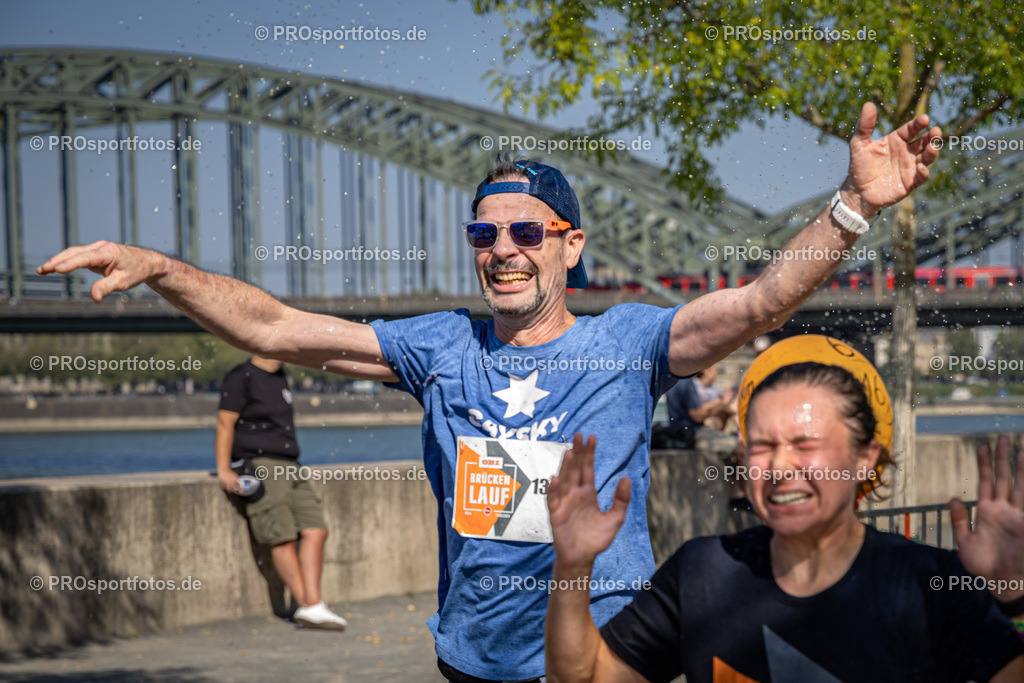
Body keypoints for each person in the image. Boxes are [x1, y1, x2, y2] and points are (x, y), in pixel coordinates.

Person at [38, 103, 941, 681]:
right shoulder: (439, 346)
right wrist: (158, 266)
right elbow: (273, 329)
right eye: (483, 230)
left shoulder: (627, 341)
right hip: (472, 658)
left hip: (604, 654)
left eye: (524, 230)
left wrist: (853, 207)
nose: (501, 246)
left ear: (569, 245)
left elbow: (760, 301)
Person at [544, 335, 1024, 682]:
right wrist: (572, 566)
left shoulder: (928, 584)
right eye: (762, 446)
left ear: (865, 459)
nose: (779, 466)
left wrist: (1012, 596)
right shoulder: (700, 572)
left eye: (804, 444)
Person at [216, 355, 347, 631]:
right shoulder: (241, 376)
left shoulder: (280, 377)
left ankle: (313, 604)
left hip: (291, 464)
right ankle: (309, 605)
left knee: (316, 529)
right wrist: (224, 470)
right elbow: (225, 423)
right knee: (281, 535)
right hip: (260, 464)